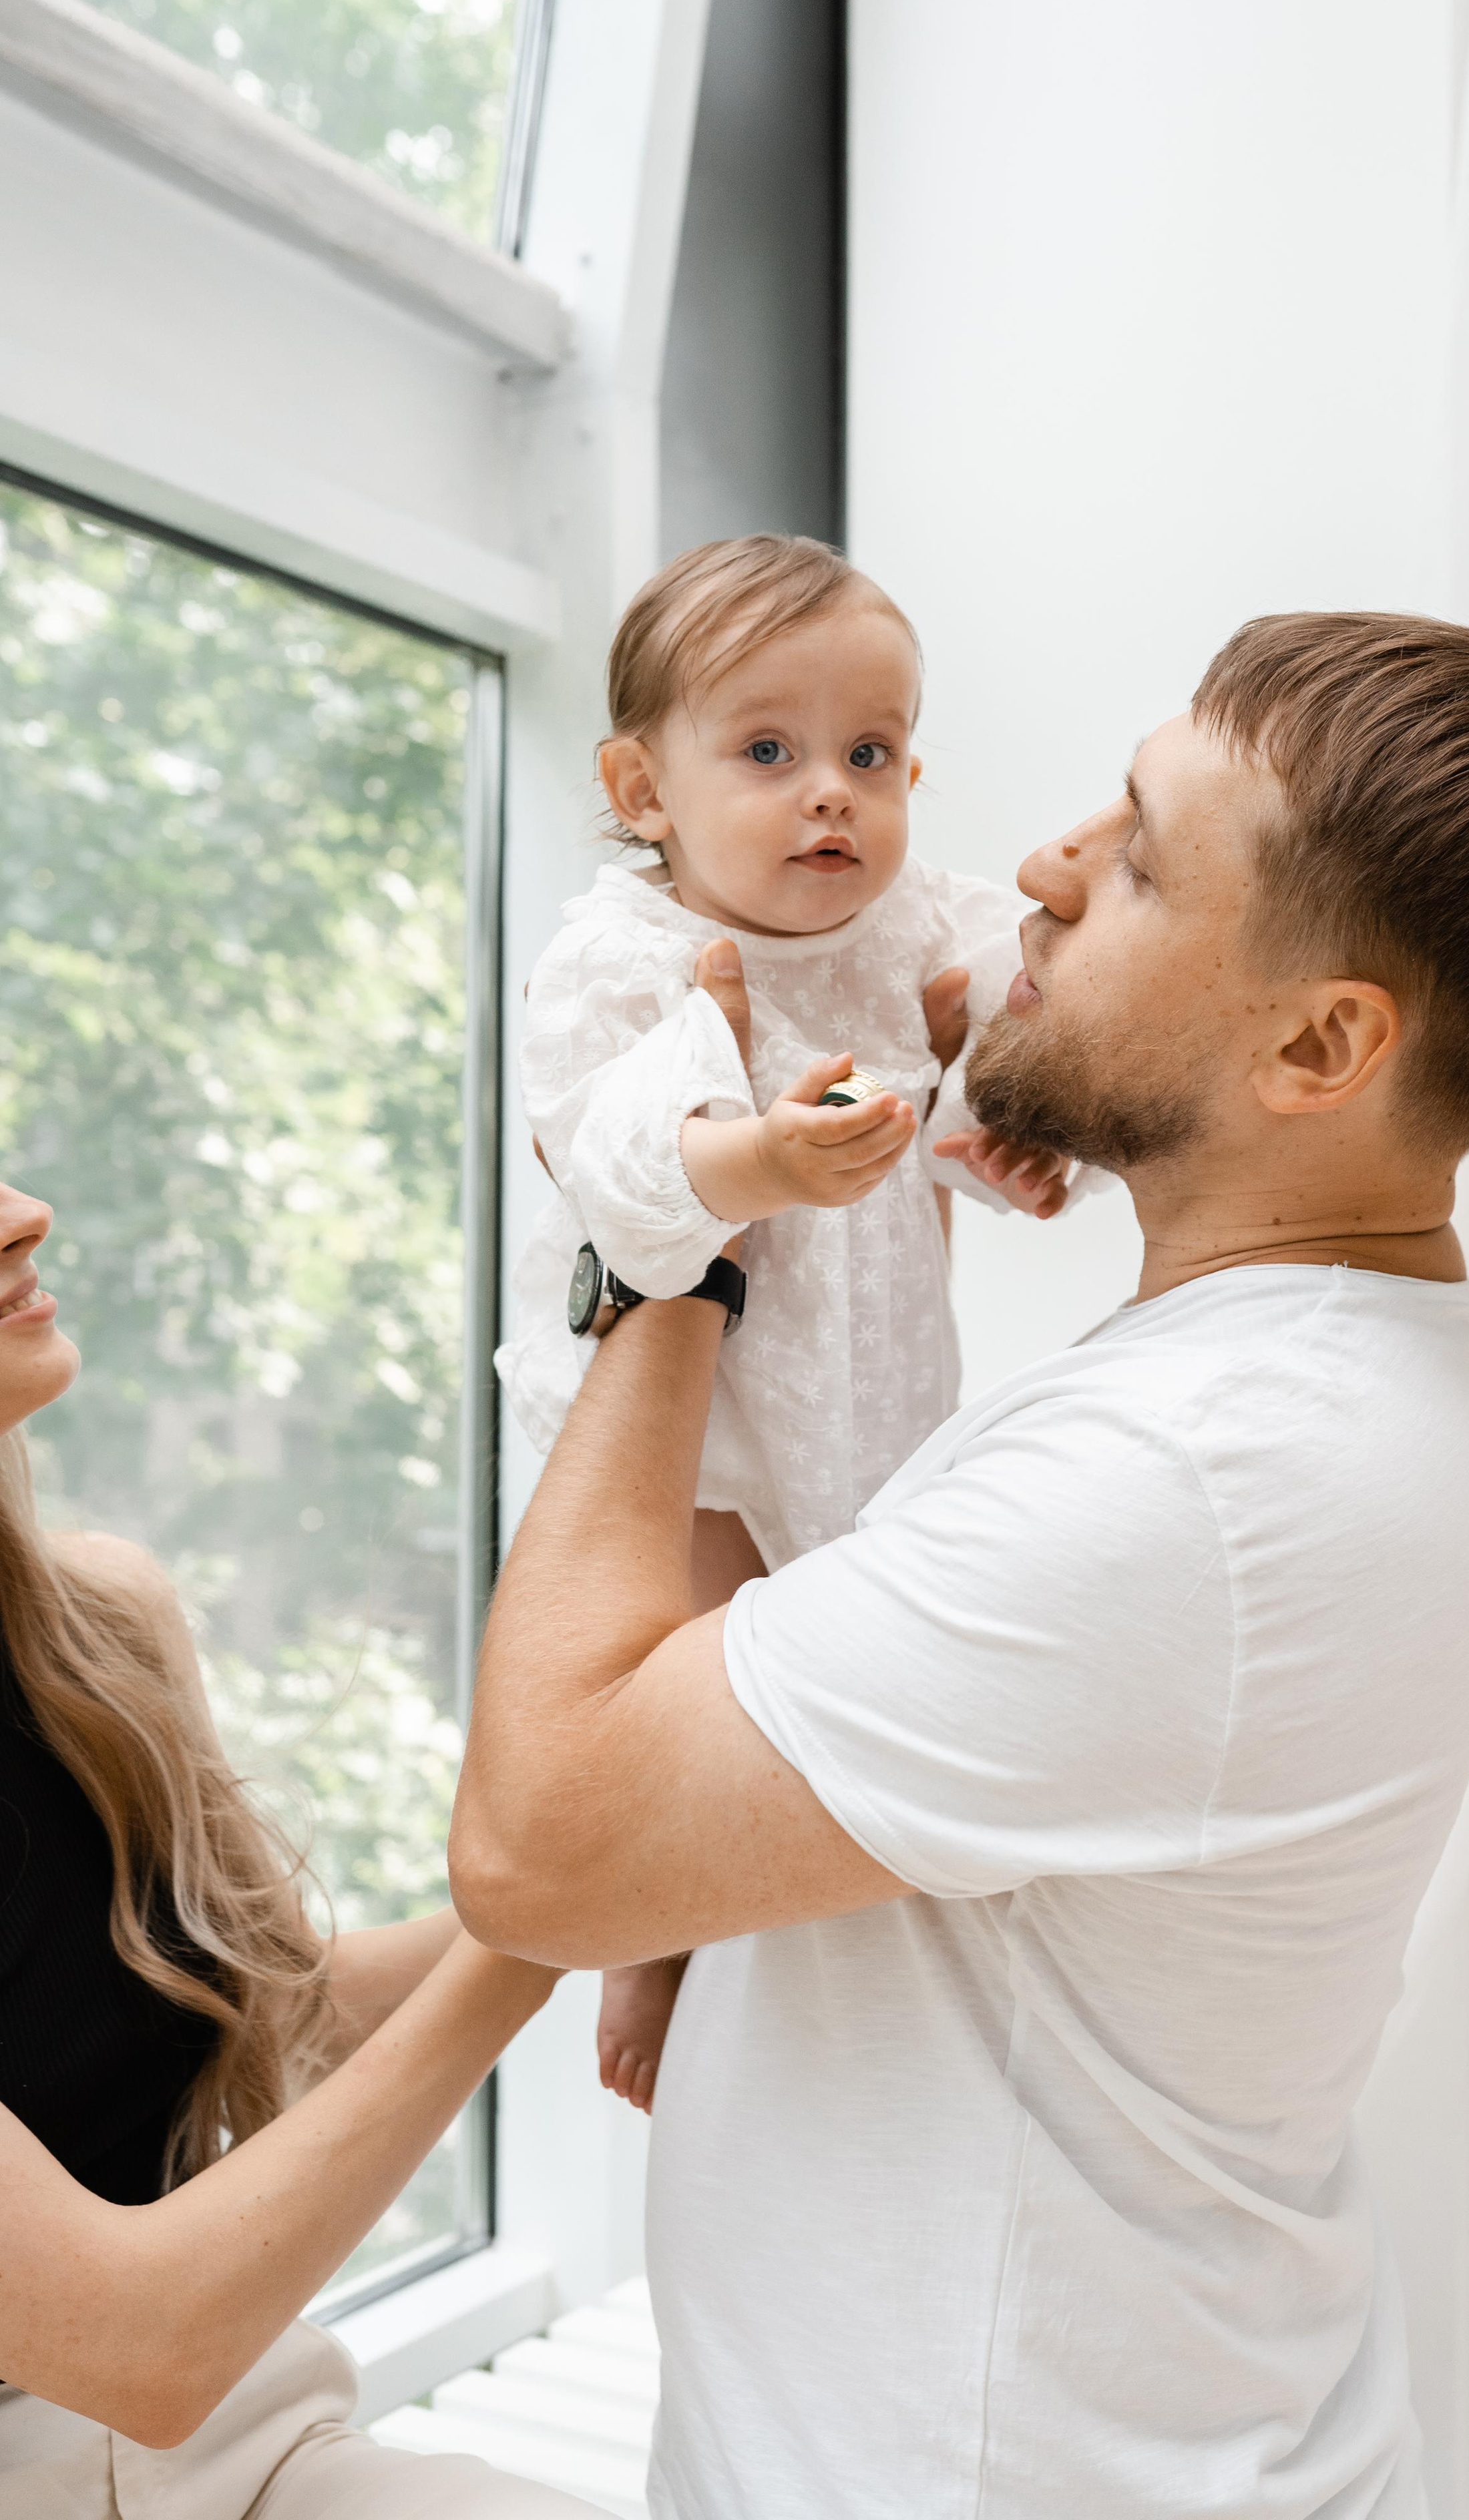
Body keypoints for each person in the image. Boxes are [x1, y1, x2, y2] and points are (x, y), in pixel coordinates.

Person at [451, 613, 1469, 2520]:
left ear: (1324, 1042)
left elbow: (540, 1846)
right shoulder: (1286, 1386)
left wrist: (671, 1227)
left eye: (1144, 856)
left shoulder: (1198, 1479)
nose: (1041, 865)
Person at [496, 534, 1085, 2112]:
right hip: (694, 1429)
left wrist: (1009, 1125)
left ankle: (818, 1947)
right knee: (689, 1670)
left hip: (876, 1388)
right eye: (767, 752)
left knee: (838, 1663)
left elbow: (1021, 1042)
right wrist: (749, 1156)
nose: (831, 792)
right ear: (642, 789)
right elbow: (612, 1154)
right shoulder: (624, 957)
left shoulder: (912, 932)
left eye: (870, 753)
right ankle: (650, 1942)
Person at [0, 1180, 606, 2516]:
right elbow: (131, 2347)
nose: (29, 1214)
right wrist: (540, 1932)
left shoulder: (99, 1633)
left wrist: (635, 1861)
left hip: (238, 2447)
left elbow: (250, 2010)